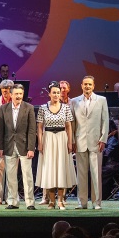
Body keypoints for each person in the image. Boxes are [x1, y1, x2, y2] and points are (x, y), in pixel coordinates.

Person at [36, 81, 76, 209]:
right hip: (48, 139)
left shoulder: (66, 108)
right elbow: (39, 127)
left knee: (61, 168)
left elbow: (69, 126)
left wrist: (70, 142)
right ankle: (51, 201)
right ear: (49, 94)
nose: (56, 95)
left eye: (58, 92)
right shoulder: (43, 108)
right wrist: (40, 143)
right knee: (50, 169)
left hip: (62, 138)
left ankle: (60, 200)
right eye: (54, 92)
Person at [70, 75, 109, 210]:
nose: (87, 86)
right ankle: (82, 202)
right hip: (80, 141)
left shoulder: (101, 100)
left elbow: (105, 120)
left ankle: (96, 202)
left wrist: (103, 139)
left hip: (96, 141)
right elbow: (72, 123)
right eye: (85, 84)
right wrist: (72, 141)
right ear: (81, 86)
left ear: (93, 86)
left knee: (96, 174)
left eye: (89, 84)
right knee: (81, 175)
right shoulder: (74, 101)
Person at [0, 83, 37, 210]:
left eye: (20, 94)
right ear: (11, 95)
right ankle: (13, 202)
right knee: (10, 176)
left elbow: (32, 130)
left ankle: (30, 202)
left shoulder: (29, 107)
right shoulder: (4, 108)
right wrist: (1, 147)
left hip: (24, 146)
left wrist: (31, 148)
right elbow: (1, 130)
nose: (19, 96)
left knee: (27, 175)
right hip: (9, 145)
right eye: (16, 94)